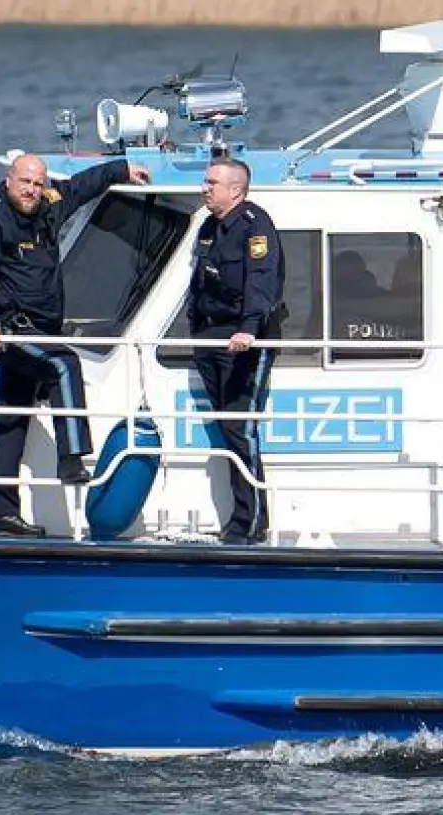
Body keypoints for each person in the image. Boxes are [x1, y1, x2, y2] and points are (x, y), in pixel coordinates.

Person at [0, 153, 151, 538]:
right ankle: (71, 458)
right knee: (63, 366)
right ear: (8, 181)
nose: (32, 190)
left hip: (42, 327)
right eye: (24, 183)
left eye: (37, 183)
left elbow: (79, 188)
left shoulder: (47, 203)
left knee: (12, 418)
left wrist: (119, 170)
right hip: (9, 330)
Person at [188, 158, 285, 545]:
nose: (205, 188)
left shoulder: (254, 225)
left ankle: (251, 522)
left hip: (243, 339)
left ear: (236, 190)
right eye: (205, 181)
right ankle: (238, 518)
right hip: (211, 338)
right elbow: (199, 283)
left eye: (213, 182)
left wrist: (248, 330)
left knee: (240, 428)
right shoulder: (209, 227)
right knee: (227, 430)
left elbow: (261, 281)